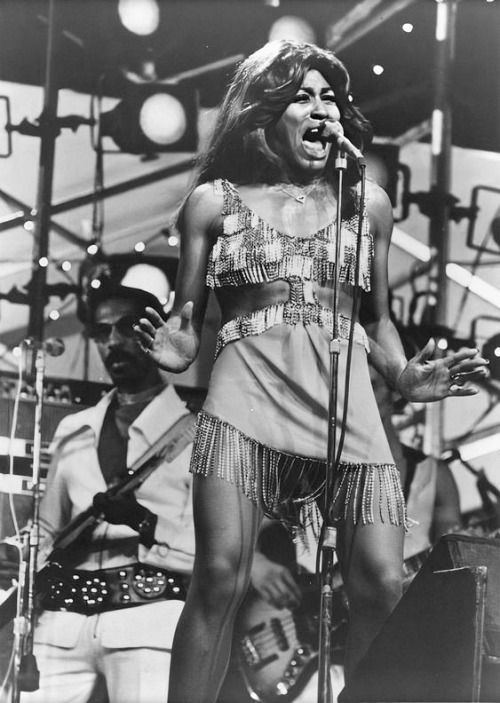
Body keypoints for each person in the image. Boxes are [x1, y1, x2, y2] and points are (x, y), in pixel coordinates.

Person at [135, 39, 490, 702]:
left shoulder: (369, 204)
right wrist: (176, 346)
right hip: (247, 396)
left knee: (382, 580)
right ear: (264, 108)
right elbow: (185, 317)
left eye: (330, 96)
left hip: (345, 401)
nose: (321, 108)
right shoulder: (214, 203)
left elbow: (377, 321)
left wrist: (407, 376)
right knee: (220, 576)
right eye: (303, 95)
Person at [0, 281, 197, 703]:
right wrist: (20, 550)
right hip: (62, 623)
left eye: (127, 327)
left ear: (158, 330)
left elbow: (214, 547)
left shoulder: (199, 435)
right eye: (101, 331)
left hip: (152, 619)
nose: (113, 343)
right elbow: (49, 525)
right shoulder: (75, 428)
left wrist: (145, 522)